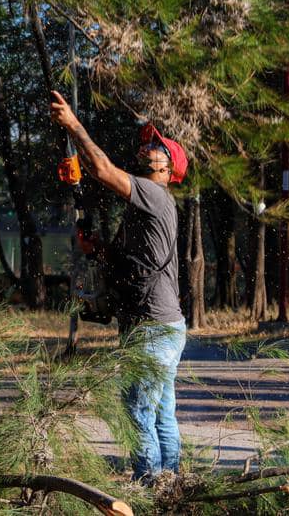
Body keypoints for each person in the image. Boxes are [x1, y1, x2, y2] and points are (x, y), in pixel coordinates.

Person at [49, 90, 188, 482]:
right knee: (160, 412)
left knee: (137, 410)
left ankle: (147, 484)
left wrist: (73, 125)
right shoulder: (145, 207)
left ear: (168, 170)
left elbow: (103, 170)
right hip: (156, 326)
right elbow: (133, 261)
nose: (149, 150)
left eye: (158, 149)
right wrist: (98, 249)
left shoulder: (155, 195)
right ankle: (169, 485)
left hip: (153, 330)